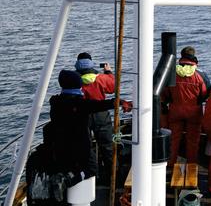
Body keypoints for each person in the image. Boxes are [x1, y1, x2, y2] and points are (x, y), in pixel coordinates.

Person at [27, 70, 132, 205]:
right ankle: (69, 180)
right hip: (79, 149)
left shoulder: (56, 103)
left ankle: (66, 180)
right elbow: (98, 104)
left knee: (72, 167)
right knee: (92, 167)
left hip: (59, 149)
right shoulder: (79, 103)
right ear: (78, 85)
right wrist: (120, 102)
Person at [163, 46, 211, 166]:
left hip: (175, 110)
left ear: (182, 56)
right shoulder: (200, 75)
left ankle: (170, 163)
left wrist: (172, 100)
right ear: (194, 57)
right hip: (194, 111)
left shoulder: (171, 73)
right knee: (193, 141)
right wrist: (197, 101)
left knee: (173, 139)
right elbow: (206, 93)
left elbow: (165, 92)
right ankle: (191, 165)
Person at [74, 52, 115, 182]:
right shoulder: (100, 78)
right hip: (101, 114)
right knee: (107, 146)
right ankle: (112, 176)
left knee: (85, 147)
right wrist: (108, 72)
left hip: (82, 116)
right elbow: (112, 87)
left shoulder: (75, 80)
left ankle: (91, 177)